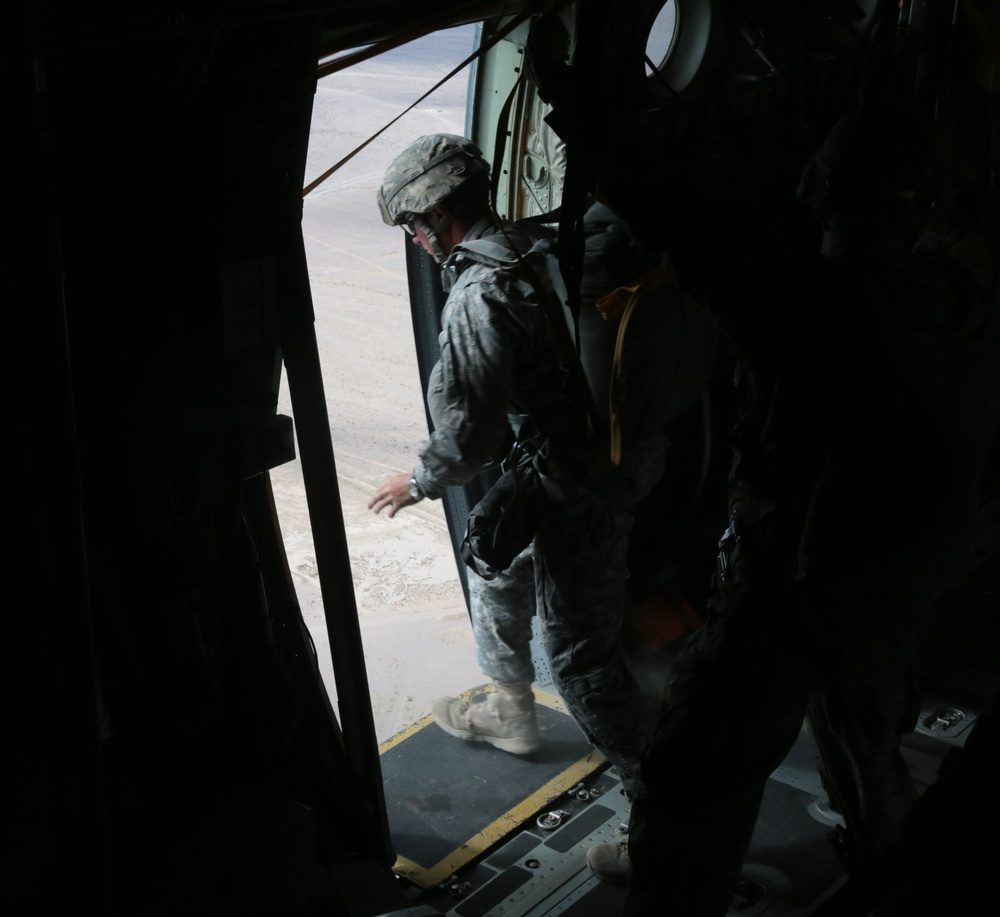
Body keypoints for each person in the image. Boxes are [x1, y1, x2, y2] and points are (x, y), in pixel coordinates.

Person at [585, 108, 1000, 915]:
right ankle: (898, 865)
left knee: (693, 768)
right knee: (864, 738)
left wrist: (614, 150)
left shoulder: (836, 305)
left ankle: (673, 889)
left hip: (803, 589)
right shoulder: (970, 296)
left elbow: (714, 257)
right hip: (900, 580)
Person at [369, 134, 716, 799]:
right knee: (497, 560)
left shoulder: (479, 295)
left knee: (580, 662)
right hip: (617, 453)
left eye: (414, 223)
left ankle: (667, 810)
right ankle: (508, 704)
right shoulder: (541, 241)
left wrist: (415, 483)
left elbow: (470, 436)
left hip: (582, 485)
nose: (414, 237)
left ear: (440, 214)